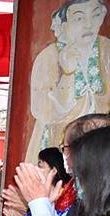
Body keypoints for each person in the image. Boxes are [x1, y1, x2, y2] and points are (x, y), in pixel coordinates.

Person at [26, 0, 110, 163]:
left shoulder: (107, 49)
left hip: (101, 150)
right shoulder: (47, 57)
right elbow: (41, 110)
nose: (88, 25)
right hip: (58, 148)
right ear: (64, 26)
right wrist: (68, 73)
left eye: (95, 16)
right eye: (79, 18)